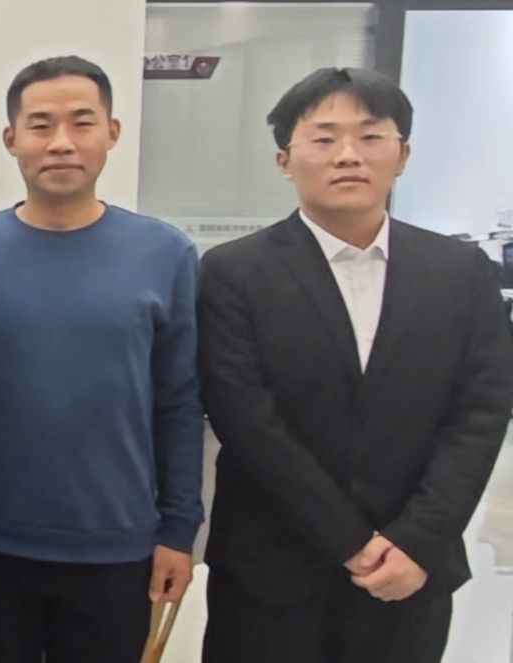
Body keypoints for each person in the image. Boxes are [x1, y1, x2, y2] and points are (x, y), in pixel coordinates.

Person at [198, 67, 513, 663]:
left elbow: (480, 413)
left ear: (403, 154)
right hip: (271, 571)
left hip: (410, 572)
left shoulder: (460, 272)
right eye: (324, 138)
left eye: (370, 137)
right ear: (284, 160)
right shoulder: (234, 273)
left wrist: (416, 540)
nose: (348, 155)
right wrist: (351, 543)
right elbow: (246, 420)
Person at [0, 56, 203, 663]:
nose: (61, 142)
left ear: (112, 132)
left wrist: (178, 530)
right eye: (40, 125)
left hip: (118, 547)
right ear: (11, 139)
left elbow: (180, 403)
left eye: (82, 123)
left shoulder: (164, 253)